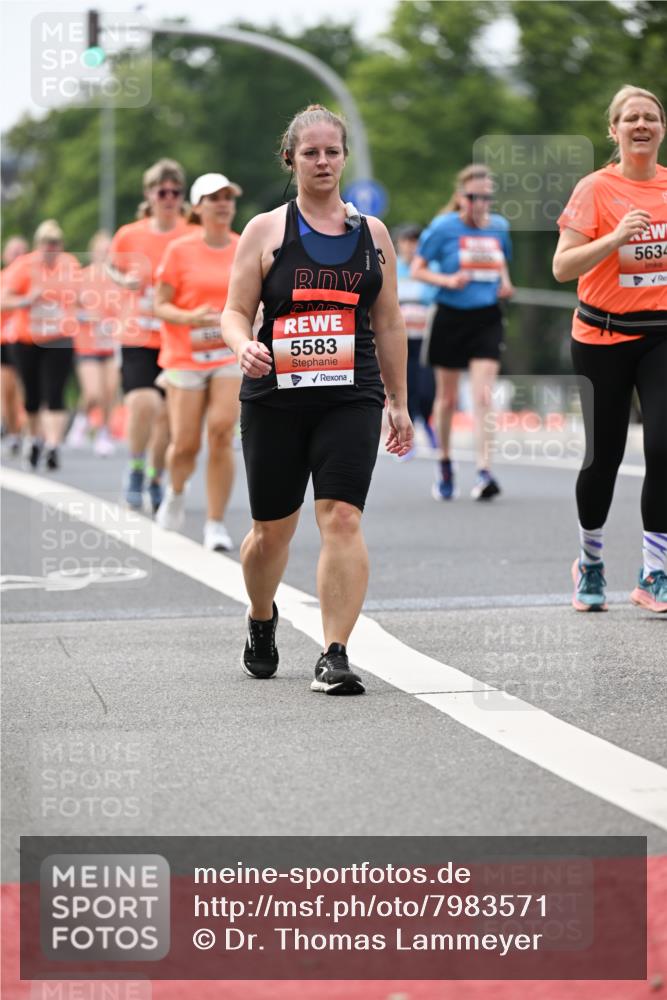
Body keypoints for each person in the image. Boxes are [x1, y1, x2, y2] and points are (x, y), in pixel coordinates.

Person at [222, 104, 413, 695]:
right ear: (291, 159)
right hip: (275, 395)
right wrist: (240, 348)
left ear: (345, 158)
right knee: (271, 532)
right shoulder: (265, 230)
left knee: (342, 516)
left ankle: (334, 653)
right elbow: (233, 312)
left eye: (332, 152)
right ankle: (261, 616)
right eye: (311, 153)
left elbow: (389, 322)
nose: (323, 161)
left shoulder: (372, 235)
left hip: (350, 393)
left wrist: (398, 403)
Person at [553, 84, 667, 614]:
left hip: (660, 335)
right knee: (605, 455)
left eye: (651, 117)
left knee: (664, 448)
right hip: (601, 335)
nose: (641, 125)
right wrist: (616, 237)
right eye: (631, 118)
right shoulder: (595, 189)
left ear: (662, 129)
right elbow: (563, 267)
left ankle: (655, 572)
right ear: (614, 130)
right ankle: (590, 562)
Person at [411, 165, 514, 500]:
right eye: (473, 197)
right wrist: (448, 281)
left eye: (486, 197)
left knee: (484, 395)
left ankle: (484, 471)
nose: (480, 203)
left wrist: (506, 282)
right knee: (448, 399)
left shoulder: (499, 227)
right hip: (449, 317)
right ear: (460, 198)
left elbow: (500, 260)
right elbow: (418, 269)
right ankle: (444, 463)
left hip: (486, 317)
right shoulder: (443, 228)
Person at [153, 172, 243, 551]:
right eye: (214, 197)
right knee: (185, 444)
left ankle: (215, 522)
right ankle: (175, 492)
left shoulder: (243, 246)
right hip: (185, 354)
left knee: (221, 432)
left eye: (228, 196)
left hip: (227, 352)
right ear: (197, 208)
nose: (223, 203)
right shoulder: (180, 251)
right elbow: (160, 304)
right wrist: (191, 318)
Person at [108, 159, 191, 511]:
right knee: (145, 403)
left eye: (175, 191)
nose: (169, 198)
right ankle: (137, 467)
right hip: (138, 333)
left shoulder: (190, 232)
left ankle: (157, 476)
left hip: (177, 336)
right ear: (149, 195)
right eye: (163, 191)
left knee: (169, 418)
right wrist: (123, 279)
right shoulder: (131, 234)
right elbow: (112, 264)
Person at [1, 220, 80, 470]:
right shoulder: (24, 266)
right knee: (32, 394)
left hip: (59, 337)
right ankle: (34, 438)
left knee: (55, 392)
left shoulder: (70, 264)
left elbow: (84, 294)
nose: (51, 247)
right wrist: (27, 299)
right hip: (27, 339)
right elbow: (4, 300)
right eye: (47, 242)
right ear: (38, 244)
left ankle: (53, 445)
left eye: (56, 242)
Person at [66, 231, 121, 456]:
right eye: (101, 250)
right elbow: (68, 309)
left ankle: (103, 433)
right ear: (92, 253)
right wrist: (87, 316)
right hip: (87, 343)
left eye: (109, 250)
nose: (105, 254)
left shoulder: (119, 279)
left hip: (112, 344)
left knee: (109, 391)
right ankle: (81, 419)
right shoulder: (81, 277)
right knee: (93, 393)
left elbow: (127, 308)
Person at [394, 223, 437, 458]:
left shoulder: (429, 269)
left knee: (428, 387)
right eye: (407, 241)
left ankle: (427, 423)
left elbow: (433, 299)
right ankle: (406, 440)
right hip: (401, 340)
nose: (411, 247)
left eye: (415, 242)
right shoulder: (392, 269)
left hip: (425, 338)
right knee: (407, 386)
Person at [1, 235, 28, 455]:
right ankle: (13, 432)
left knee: (26, 388)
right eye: (13, 251)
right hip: (4, 340)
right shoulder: (3, 279)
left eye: (22, 251)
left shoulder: (30, 280)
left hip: (25, 339)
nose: (18, 256)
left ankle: (27, 431)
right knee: (7, 390)